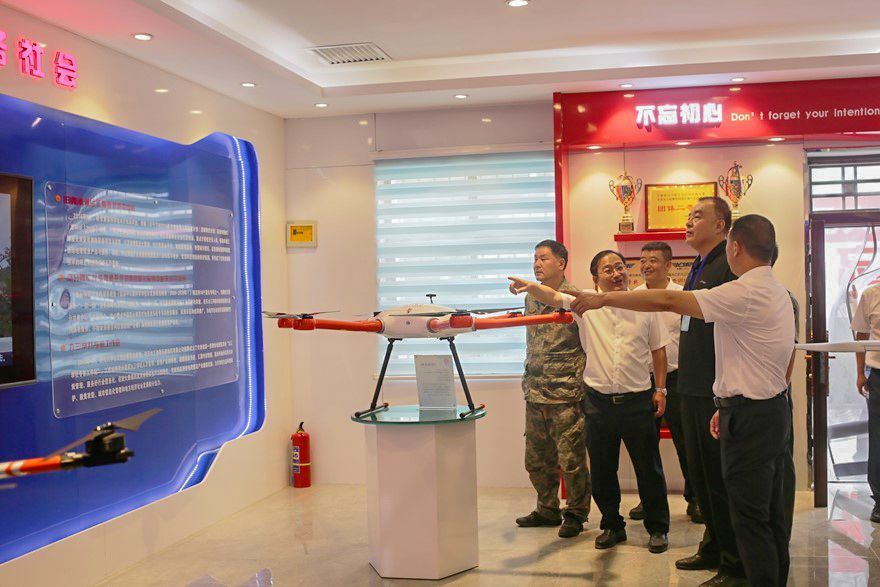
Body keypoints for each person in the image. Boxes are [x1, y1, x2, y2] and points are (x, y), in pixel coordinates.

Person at [569, 214, 795, 587]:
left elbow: (669, 299)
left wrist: (603, 298)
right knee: (768, 512)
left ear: (735, 247)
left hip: (751, 417)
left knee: (750, 517)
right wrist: (726, 403)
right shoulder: (777, 291)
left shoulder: (743, 291)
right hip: (764, 408)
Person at [509, 249, 671, 553]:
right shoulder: (584, 305)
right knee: (603, 470)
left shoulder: (644, 306)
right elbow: (553, 296)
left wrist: (660, 389)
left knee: (648, 469)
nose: (616, 274)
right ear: (596, 279)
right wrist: (530, 286)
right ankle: (612, 526)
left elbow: (659, 351)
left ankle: (658, 529)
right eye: (608, 270)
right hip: (598, 402)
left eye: (620, 267)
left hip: (638, 401)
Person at [515, 240, 592, 539]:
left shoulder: (575, 297)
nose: (537, 264)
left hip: (565, 392)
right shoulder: (530, 297)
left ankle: (575, 513)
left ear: (561, 263)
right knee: (536, 459)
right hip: (535, 390)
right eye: (535, 258)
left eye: (544, 258)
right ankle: (547, 509)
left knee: (571, 460)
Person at [627, 241, 702, 525]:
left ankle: (696, 499)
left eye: (654, 260)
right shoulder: (632, 297)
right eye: (643, 260)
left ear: (668, 265)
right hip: (642, 380)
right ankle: (649, 500)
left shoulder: (681, 296)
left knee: (687, 442)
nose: (646, 265)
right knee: (645, 445)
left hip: (677, 378)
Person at [850, 281, 880, 524]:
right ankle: (879, 499)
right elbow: (860, 336)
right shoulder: (871, 294)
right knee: (878, 437)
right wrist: (860, 372)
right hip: (878, 375)